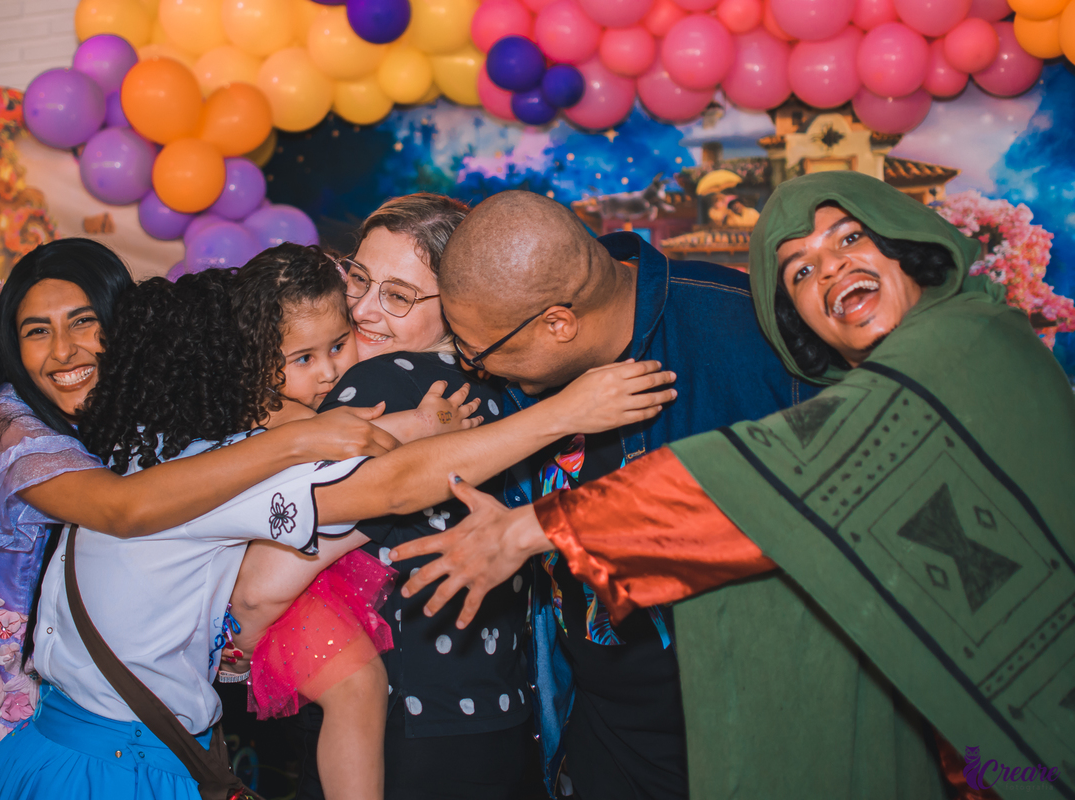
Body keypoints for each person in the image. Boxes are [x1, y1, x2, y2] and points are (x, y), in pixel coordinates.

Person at [394, 171, 1075, 798]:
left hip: (982, 722)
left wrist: (529, 529)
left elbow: (771, 475)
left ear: (907, 241)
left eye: (849, 238)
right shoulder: (873, 364)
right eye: (800, 270)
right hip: (617, 734)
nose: (830, 269)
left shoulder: (969, 342)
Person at [0, 264, 675, 799]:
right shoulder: (219, 476)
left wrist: (396, 427)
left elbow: (321, 453)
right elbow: (392, 486)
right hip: (118, 768)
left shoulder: (145, 445)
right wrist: (563, 413)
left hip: (56, 747)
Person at [0, 239, 398, 799]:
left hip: (90, 699)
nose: (63, 351)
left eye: (83, 322)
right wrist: (296, 440)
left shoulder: (130, 412)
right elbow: (121, 509)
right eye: (37, 331)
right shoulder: (7, 424)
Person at [426, 190, 817, 799]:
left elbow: (803, 510)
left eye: (480, 354)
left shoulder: (750, 331)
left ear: (559, 323)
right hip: (601, 730)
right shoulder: (522, 352)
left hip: (752, 735)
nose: (477, 369)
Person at [292, 194, 547, 800]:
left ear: (458, 306)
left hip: (399, 721)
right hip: (495, 713)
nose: (363, 308)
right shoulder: (498, 389)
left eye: (399, 297)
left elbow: (289, 531)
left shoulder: (376, 381)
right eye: (358, 278)